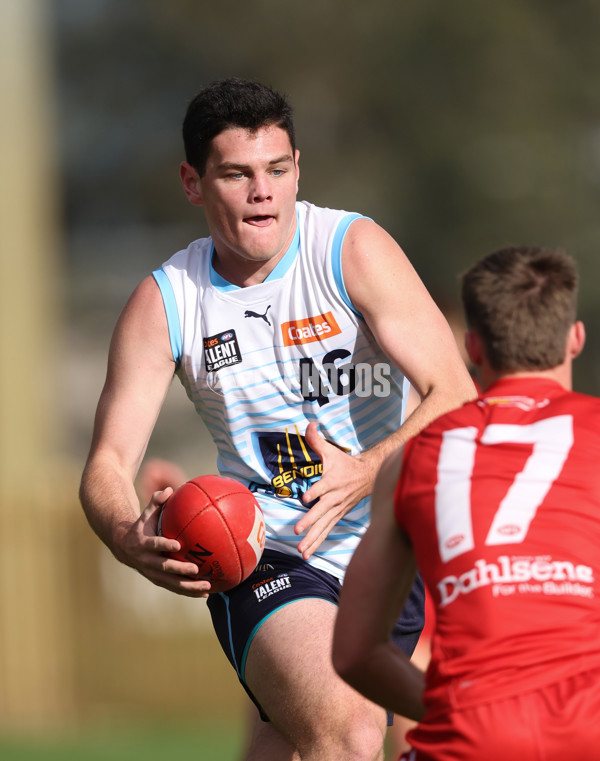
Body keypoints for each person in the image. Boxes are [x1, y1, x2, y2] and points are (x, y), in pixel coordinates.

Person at [79, 77, 476, 761]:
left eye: (278, 169)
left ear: (297, 170)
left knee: (296, 745)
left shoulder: (350, 248)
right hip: (273, 556)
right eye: (237, 173)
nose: (263, 190)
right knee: (348, 732)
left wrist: (364, 469)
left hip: (392, 558)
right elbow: (108, 464)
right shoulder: (168, 300)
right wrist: (125, 533)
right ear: (193, 182)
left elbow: (457, 393)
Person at [333, 246, 600, 761]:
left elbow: (355, 652)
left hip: (469, 742)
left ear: (473, 348)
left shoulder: (412, 459)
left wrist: (460, 710)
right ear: (576, 339)